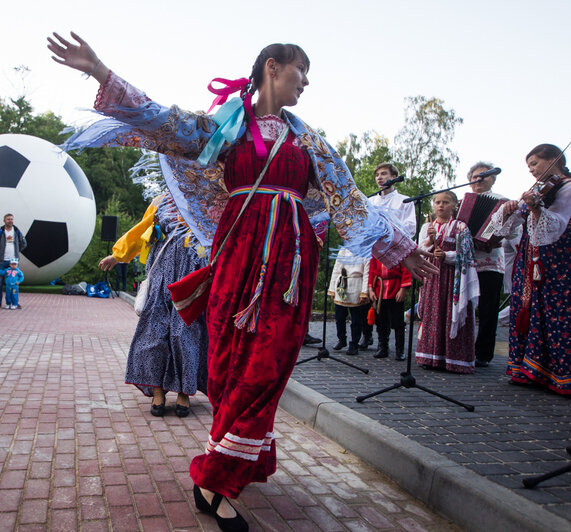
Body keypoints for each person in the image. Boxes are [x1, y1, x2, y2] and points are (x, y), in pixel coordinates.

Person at [47, 33, 437, 531]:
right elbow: (167, 122)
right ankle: (217, 476)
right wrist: (101, 72)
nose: (308, 82)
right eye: (302, 71)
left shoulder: (308, 139)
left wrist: (401, 248)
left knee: (273, 360)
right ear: (273, 68)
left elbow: (349, 199)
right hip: (239, 257)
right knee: (233, 362)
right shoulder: (228, 126)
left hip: (292, 265)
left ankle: (224, 466)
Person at [491, 144, 571, 394]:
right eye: (529, 165)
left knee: (562, 309)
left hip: (563, 257)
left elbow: (555, 224)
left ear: (554, 159)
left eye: (535, 163)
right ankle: (531, 369)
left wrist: (536, 208)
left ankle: (568, 375)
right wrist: (509, 210)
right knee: (533, 308)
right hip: (533, 257)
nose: (531, 170)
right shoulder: (538, 189)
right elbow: (506, 228)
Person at [99, 193, 208, 418]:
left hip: (189, 276)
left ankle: (183, 393)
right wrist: (117, 256)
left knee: (184, 335)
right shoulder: (160, 201)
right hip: (160, 275)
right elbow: (140, 232)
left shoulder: (203, 199)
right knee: (153, 335)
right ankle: (157, 392)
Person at [463, 162, 522, 367]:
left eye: (485, 175)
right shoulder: (462, 202)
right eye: (476, 176)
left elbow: (514, 233)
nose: (480, 179)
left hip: (491, 260)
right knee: (463, 306)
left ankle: (483, 354)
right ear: (470, 179)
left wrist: (498, 237)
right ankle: (461, 348)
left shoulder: (503, 202)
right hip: (465, 262)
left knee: (488, 309)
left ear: (493, 179)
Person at [414, 191, 479, 373]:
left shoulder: (460, 227)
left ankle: (454, 359)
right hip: (433, 276)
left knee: (450, 312)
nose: (441, 206)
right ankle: (430, 356)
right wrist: (429, 239)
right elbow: (418, 250)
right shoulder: (428, 226)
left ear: (454, 205)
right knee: (433, 312)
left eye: (445, 202)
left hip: (453, 277)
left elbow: (467, 255)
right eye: (437, 202)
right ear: (433, 205)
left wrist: (447, 256)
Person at [362, 163, 415, 350]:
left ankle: (400, 349)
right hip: (377, 258)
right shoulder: (371, 202)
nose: (379, 178)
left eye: (384, 174)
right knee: (380, 315)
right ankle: (382, 347)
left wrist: (389, 231)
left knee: (396, 316)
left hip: (398, 257)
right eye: (377, 175)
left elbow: (411, 227)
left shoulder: (404, 200)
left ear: (394, 176)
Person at [327, 249, 370, 356]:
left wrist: (364, 292)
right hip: (342, 284)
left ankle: (354, 344)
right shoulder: (343, 250)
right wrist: (332, 288)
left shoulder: (365, 250)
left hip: (356, 285)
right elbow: (336, 269)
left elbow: (366, 273)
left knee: (356, 319)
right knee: (339, 317)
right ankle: (341, 339)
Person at [0, 213, 27, 308]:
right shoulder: (0, 232)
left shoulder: (16, 231)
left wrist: (17, 251)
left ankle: (15, 302)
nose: (10, 221)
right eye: (8, 219)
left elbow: (24, 243)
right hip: (2, 261)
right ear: (4, 221)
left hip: (14, 262)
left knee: (14, 283)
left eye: (11, 219)